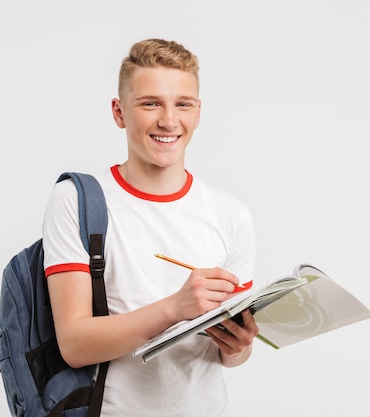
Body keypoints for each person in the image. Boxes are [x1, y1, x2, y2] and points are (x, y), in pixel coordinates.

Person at [42, 38, 259, 417]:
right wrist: (176, 307)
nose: (169, 120)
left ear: (198, 112)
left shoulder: (232, 214)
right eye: (150, 103)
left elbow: (231, 360)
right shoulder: (76, 200)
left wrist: (237, 346)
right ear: (119, 111)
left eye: (183, 104)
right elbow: (73, 344)